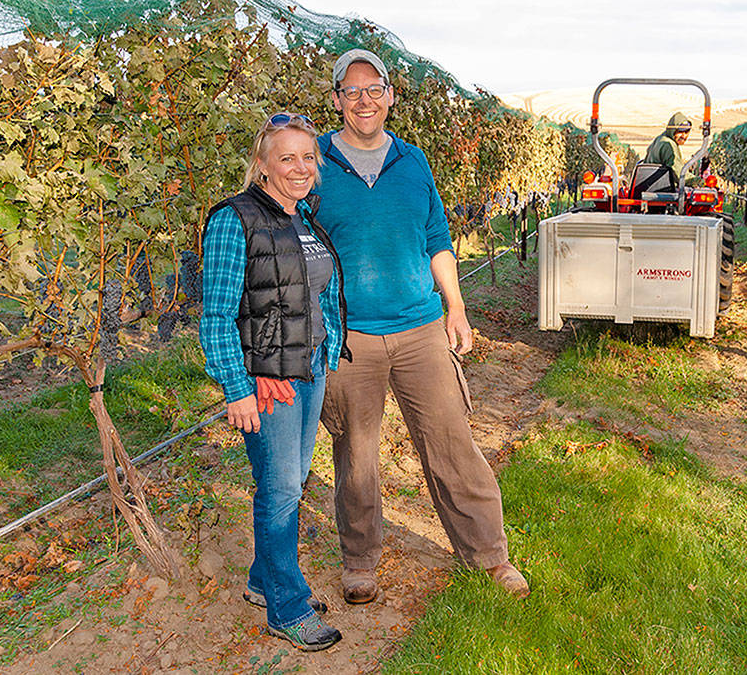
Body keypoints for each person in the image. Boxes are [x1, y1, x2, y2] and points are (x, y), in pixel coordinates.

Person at [306, 47, 529, 603]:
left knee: (451, 442)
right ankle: (359, 560)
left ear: (390, 97)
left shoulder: (414, 162)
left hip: (420, 327)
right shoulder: (314, 168)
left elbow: (436, 240)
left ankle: (489, 555)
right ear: (336, 100)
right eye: (351, 91)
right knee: (355, 454)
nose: (363, 100)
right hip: (350, 337)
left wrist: (456, 307)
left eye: (373, 89)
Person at [199, 112, 348, 652]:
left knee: (290, 480)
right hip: (269, 386)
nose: (300, 167)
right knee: (282, 492)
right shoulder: (233, 219)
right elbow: (216, 313)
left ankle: (264, 581)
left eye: (309, 157)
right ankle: (287, 606)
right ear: (261, 164)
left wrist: (326, 349)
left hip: (307, 373)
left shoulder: (304, 219)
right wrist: (237, 386)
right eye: (287, 157)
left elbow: (313, 295)